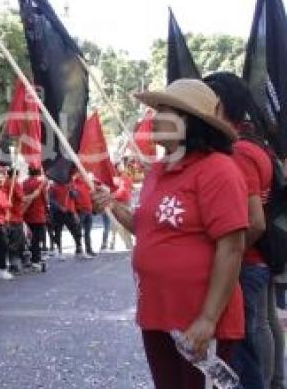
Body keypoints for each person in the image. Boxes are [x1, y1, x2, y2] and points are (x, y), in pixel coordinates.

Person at [92, 79, 248, 389]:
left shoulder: (218, 169)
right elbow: (146, 228)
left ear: (187, 121)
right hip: (157, 312)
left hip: (199, 320)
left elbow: (231, 248)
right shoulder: (158, 171)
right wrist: (113, 206)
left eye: (162, 110)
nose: (152, 118)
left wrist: (207, 319)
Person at [204, 71, 275, 389]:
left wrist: (228, 257)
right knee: (261, 329)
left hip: (247, 263)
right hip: (256, 261)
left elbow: (255, 221)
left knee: (245, 349)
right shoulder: (253, 144)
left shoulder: (239, 152)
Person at [49, 175, 85, 259]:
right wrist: (59, 206)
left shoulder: (70, 184)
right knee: (58, 232)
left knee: (76, 231)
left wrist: (71, 190)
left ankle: (79, 249)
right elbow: (51, 199)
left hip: (69, 212)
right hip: (58, 213)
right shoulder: (53, 186)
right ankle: (59, 251)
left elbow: (76, 195)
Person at [22, 165, 48, 268]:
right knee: (37, 238)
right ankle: (35, 259)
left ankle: (29, 256)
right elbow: (45, 198)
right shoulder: (40, 183)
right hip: (38, 214)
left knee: (29, 237)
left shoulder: (24, 182)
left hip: (26, 213)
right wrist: (47, 208)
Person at [102, 164, 133, 252]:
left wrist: (111, 196)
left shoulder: (124, 177)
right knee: (115, 225)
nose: (121, 167)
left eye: (122, 165)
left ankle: (127, 244)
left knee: (121, 224)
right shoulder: (114, 178)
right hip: (116, 203)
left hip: (122, 203)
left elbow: (123, 191)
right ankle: (112, 244)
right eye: (119, 166)